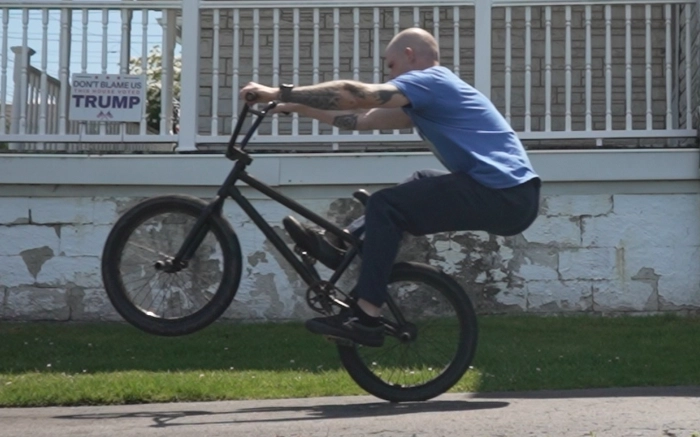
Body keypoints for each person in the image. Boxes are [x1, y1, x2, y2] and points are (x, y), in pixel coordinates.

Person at [239, 27, 541, 348]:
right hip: (510, 195)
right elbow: (361, 119)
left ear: (410, 55)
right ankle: (342, 248)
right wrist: (301, 109)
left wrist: (278, 93)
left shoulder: (430, 81)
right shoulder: (427, 97)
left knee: (387, 205)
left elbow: (353, 93)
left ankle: (367, 316)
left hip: (507, 193)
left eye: (391, 65)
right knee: (421, 179)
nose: (389, 74)